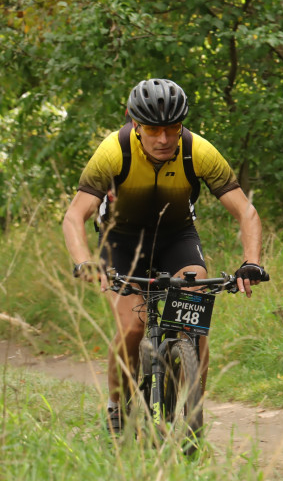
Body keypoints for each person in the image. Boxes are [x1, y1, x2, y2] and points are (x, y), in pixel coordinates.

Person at [62, 78, 267, 432]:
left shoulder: (197, 151)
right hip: (122, 241)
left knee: (195, 322)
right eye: (154, 129)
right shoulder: (114, 151)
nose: (163, 139)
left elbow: (245, 212)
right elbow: (74, 215)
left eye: (172, 128)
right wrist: (84, 260)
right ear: (135, 125)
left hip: (176, 237)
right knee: (132, 327)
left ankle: (190, 413)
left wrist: (251, 262)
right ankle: (116, 406)